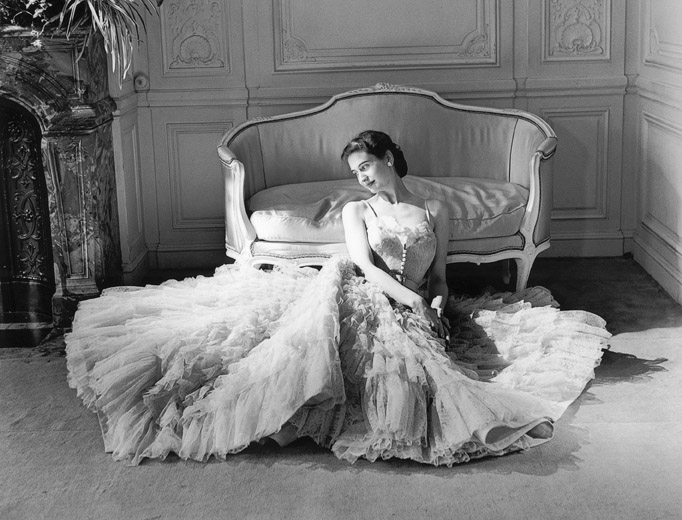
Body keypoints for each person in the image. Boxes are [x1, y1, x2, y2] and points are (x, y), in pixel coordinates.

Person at [66, 130, 610, 466]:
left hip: (419, 302)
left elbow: (441, 276)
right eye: (355, 172)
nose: (362, 178)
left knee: (445, 365)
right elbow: (367, 267)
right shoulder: (358, 211)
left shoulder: (434, 211)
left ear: (389, 158)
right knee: (323, 361)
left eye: (366, 166)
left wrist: (438, 302)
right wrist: (410, 302)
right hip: (366, 293)